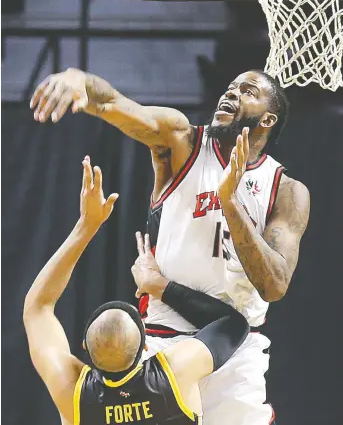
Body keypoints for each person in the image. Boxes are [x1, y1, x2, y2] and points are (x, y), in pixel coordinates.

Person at [30, 68, 311, 425]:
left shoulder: (286, 191)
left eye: (247, 90)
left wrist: (231, 204)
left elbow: (273, 285)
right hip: (164, 343)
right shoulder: (182, 142)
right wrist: (80, 83)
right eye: (229, 86)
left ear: (268, 118)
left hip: (234, 347)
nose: (231, 93)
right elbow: (116, 104)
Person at [24, 156, 249, 425]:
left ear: (84, 347)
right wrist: (158, 286)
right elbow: (232, 323)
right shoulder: (174, 373)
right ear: (145, 347)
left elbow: (37, 307)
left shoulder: (72, 393)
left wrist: (85, 227)